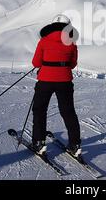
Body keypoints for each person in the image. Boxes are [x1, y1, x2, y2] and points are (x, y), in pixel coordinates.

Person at [31, 14, 81, 156]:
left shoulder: (44, 41)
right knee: (68, 112)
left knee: (40, 110)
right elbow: (72, 64)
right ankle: (75, 144)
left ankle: (39, 142)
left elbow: (36, 63)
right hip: (64, 81)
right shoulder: (71, 43)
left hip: (45, 80)